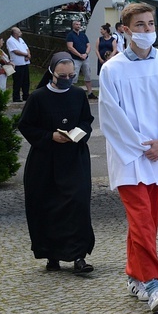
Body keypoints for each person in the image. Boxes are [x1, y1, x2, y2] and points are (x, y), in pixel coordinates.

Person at [98, 2, 158, 314]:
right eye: (139, 25)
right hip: (130, 157)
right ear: (125, 30)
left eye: (150, 24)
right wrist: (142, 146)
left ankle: (133, 274)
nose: (147, 30)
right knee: (141, 220)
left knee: (147, 222)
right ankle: (152, 283)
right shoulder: (112, 69)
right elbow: (112, 117)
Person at [17, 52, 95, 274]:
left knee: (77, 204)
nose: (67, 79)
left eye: (72, 75)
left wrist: (78, 133)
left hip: (74, 159)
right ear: (52, 73)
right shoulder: (38, 97)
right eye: (63, 75)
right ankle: (51, 255)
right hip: (45, 161)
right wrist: (50, 136)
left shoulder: (79, 95)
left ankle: (78, 256)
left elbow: (86, 121)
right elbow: (26, 125)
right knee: (47, 206)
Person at [66, 20, 97, 99]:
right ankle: (71, 93)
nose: (78, 26)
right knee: (74, 76)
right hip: (76, 59)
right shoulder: (70, 35)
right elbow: (70, 47)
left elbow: (88, 45)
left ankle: (90, 93)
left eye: (79, 24)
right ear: (73, 25)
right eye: (76, 24)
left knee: (88, 75)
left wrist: (86, 54)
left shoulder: (83, 35)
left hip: (85, 58)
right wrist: (79, 55)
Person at [6, 27, 31, 102]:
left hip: (25, 63)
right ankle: (16, 97)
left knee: (26, 81)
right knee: (17, 81)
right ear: (15, 33)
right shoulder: (10, 41)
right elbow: (15, 51)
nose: (21, 33)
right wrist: (26, 54)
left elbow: (27, 48)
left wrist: (28, 55)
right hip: (17, 64)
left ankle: (25, 95)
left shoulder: (21, 40)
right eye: (19, 32)